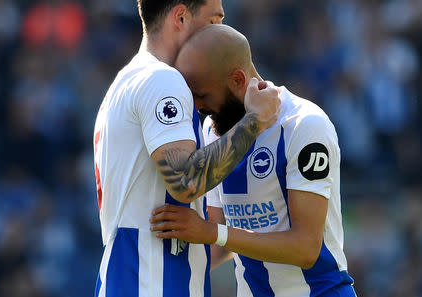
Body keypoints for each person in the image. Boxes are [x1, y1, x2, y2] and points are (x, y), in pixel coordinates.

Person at [93, 0, 281, 297]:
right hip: (152, 283)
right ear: (180, 18)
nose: (222, 32)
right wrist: (255, 120)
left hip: (136, 278)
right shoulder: (163, 81)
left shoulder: (125, 83)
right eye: (214, 21)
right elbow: (185, 180)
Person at [150, 24, 357, 296]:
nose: (198, 106)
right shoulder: (213, 131)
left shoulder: (305, 125)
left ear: (237, 80)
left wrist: (211, 232)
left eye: (202, 94)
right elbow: (219, 242)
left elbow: (306, 248)